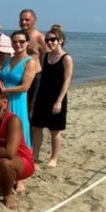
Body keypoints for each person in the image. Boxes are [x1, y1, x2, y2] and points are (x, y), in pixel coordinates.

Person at [31, 26, 73, 168]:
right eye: (47, 40)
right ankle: (35, 154)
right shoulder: (46, 56)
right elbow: (42, 77)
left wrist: (59, 101)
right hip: (43, 95)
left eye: (53, 39)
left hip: (57, 97)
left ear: (60, 41)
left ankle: (54, 158)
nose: (50, 42)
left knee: (54, 130)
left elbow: (67, 80)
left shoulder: (66, 58)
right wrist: (36, 98)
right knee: (37, 127)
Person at [0, 30, 37, 148]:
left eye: (21, 41)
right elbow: (1, 79)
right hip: (3, 101)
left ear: (27, 43)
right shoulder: (8, 59)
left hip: (17, 101)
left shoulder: (30, 62)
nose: (18, 44)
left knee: (18, 129)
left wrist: (4, 91)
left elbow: (25, 87)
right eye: (14, 42)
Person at [19, 8, 47, 109]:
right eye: (21, 20)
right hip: (20, 75)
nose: (23, 22)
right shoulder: (17, 37)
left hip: (35, 76)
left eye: (27, 20)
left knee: (31, 105)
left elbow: (46, 60)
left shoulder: (40, 38)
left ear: (34, 20)